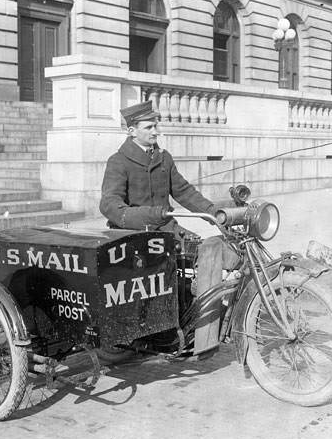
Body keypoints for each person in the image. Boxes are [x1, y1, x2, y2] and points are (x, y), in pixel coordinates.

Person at [99, 100, 239, 354]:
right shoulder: (118, 162)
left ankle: (198, 320)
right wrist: (148, 215)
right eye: (148, 127)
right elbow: (110, 205)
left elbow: (184, 191)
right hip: (133, 238)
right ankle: (169, 328)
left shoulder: (164, 159)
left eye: (156, 126)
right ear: (131, 130)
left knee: (212, 251)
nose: (155, 131)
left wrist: (213, 213)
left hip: (167, 231)